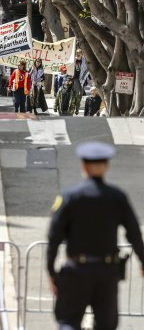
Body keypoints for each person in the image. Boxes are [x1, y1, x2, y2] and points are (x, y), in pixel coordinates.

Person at [47, 141, 144, 330]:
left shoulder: (69, 197)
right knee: (106, 325)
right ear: (106, 167)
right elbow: (133, 233)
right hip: (107, 273)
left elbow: (54, 237)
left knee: (68, 322)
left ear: (83, 166)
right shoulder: (117, 197)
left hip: (76, 271)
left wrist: (51, 271)